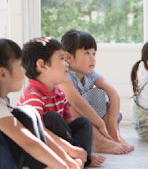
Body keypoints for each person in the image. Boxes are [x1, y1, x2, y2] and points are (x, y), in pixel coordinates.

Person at [18, 37, 106, 167]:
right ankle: (73, 156)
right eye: (61, 59)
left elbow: (68, 123)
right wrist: (70, 148)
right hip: (37, 147)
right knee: (52, 118)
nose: (66, 64)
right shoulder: (33, 96)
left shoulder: (59, 93)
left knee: (83, 122)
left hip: (59, 142)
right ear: (42, 65)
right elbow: (38, 132)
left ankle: (80, 157)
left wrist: (77, 144)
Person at [0, 38, 81, 169]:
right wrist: (63, 167)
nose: (24, 71)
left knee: (25, 114)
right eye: (20, 66)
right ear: (2, 73)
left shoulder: (4, 102)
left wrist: (65, 160)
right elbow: (29, 143)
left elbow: (34, 135)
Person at [59, 29, 134, 154]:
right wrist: (100, 123)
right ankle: (99, 142)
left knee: (100, 93)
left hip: (92, 121)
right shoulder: (63, 76)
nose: (92, 59)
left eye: (94, 54)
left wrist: (112, 125)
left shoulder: (91, 74)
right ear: (68, 57)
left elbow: (113, 94)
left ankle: (113, 136)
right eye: (87, 53)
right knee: (73, 107)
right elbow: (77, 102)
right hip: (69, 125)